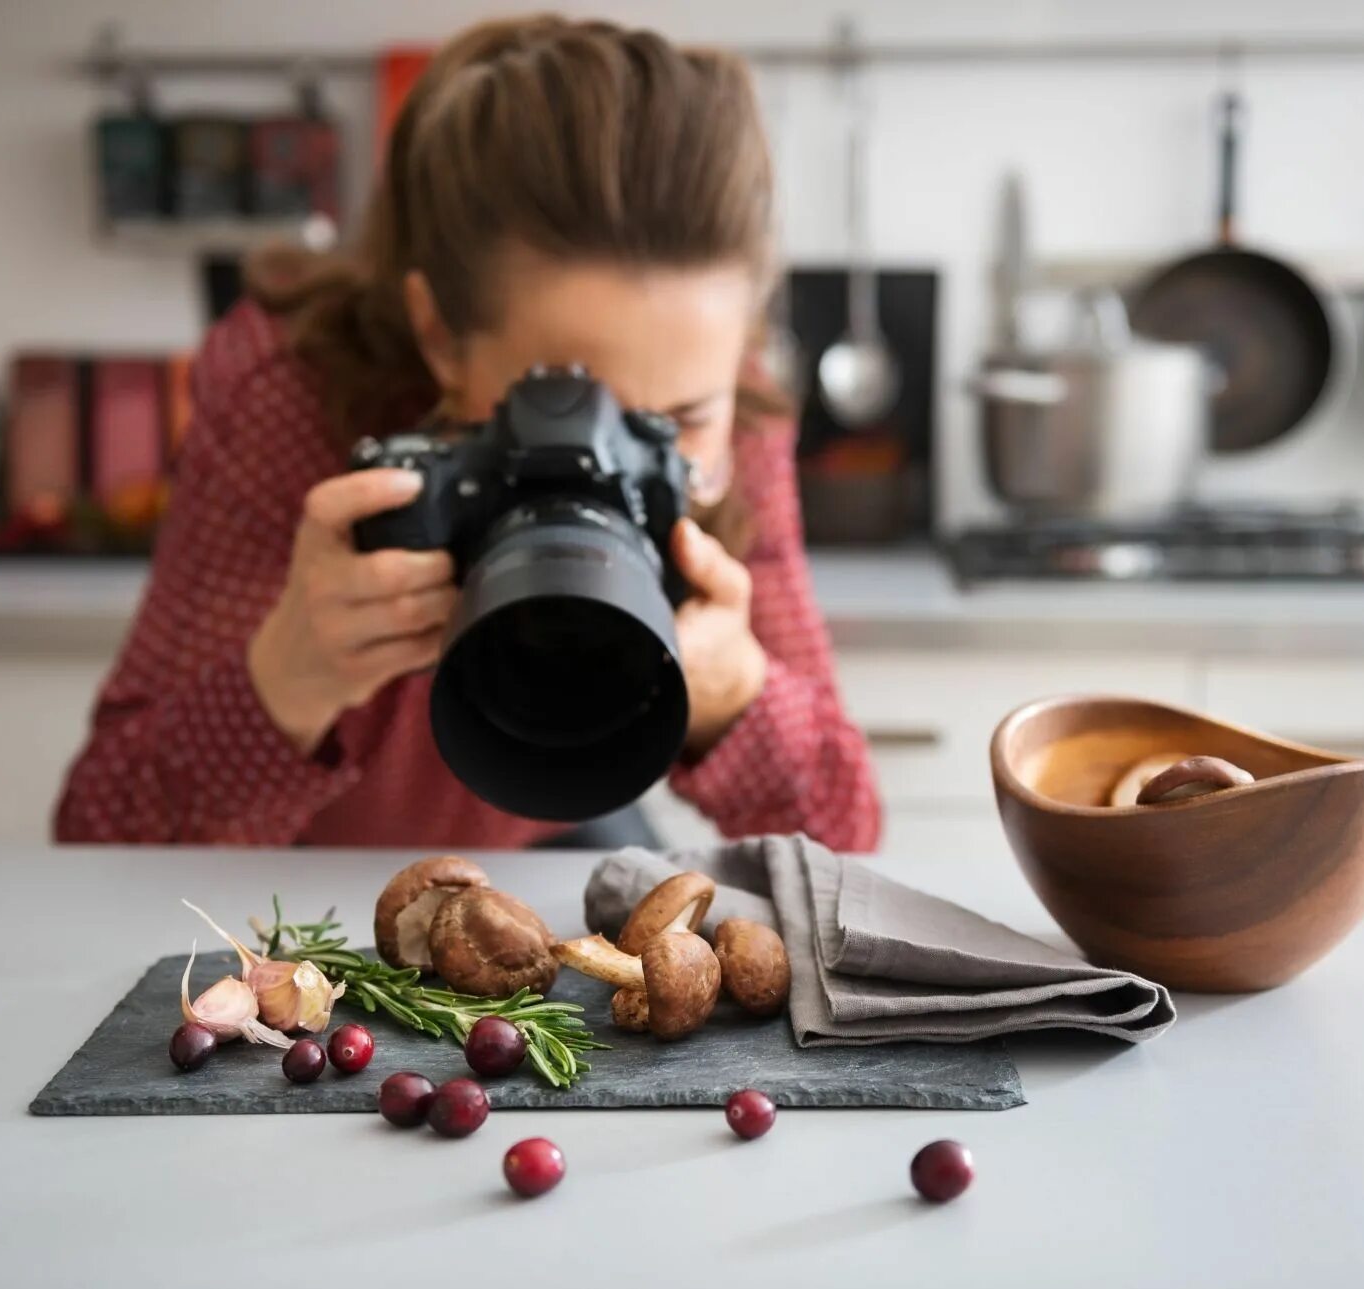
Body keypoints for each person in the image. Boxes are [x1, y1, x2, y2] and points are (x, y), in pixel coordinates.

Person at [54, 16, 881, 852]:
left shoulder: (736, 412)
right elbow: (102, 835)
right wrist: (284, 682)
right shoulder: (291, 394)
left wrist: (739, 696)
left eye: (679, 422)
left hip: (546, 828)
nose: (607, 458)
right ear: (439, 336)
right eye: (560, 404)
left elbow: (845, 837)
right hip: (295, 866)